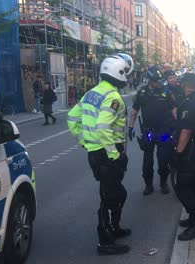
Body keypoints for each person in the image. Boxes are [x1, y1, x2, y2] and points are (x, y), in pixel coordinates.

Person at [67, 54, 133, 255]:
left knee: (114, 193)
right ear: (118, 73)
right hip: (107, 155)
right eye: (126, 73)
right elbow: (103, 126)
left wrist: (84, 142)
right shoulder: (113, 97)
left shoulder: (90, 93)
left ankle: (114, 228)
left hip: (95, 153)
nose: (127, 78)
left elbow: (72, 118)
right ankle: (105, 241)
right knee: (109, 196)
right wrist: (114, 154)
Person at [129, 66, 177, 195]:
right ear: (150, 80)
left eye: (159, 80)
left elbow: (174, 110)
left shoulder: (165, 92)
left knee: (163, 159)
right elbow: (134, 111)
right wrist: (130, 127)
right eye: (156, 80)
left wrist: (178, 126)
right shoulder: (142, 93)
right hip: (149, 132)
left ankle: (163, 183)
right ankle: (148, 185)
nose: (158, 83)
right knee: (147, 161)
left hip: (164, 131)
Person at [173, 73, 195, 241]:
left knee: (182, 186)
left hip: (189, 150)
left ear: (185, 85)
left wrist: (178, 152)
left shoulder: (190, 103)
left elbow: (186, 131)